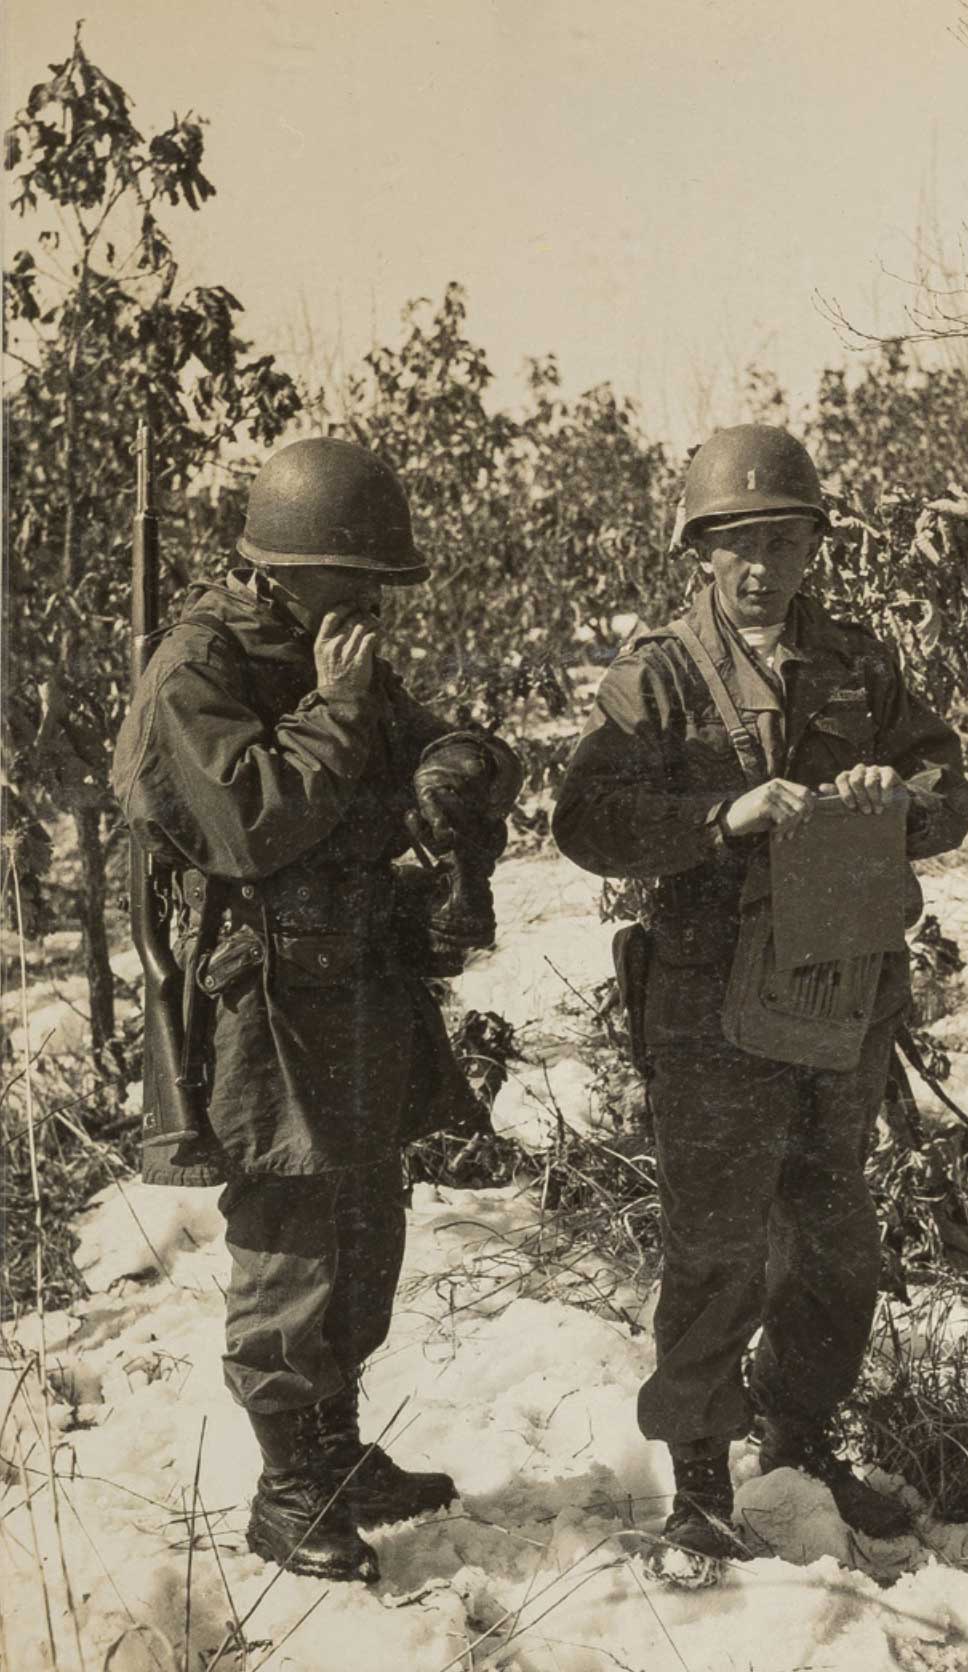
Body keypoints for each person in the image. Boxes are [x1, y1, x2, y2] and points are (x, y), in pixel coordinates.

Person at [552, 424, 968, 1560]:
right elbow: (585, 821)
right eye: (737, 544)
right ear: (699, 551)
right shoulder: (658, 675)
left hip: (837, 994)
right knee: (717, 1244)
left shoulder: (857, 662)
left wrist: (902, 796)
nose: (760, 567)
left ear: (812, 547)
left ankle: (799, 1439)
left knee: (837, 1237)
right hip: (706, 1004)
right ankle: (699, 1478)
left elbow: (954, 782)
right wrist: (716, 817)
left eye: (782, 541)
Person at [113, 437, 522, 1583]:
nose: (376, 606)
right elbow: (250, 820)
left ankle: (335, 1456)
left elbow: (441, 739)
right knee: (291, 1246)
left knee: (364, 1233)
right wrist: (341, 710)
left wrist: (447, 774)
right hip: (263, 1004)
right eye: (359, 581)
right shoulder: (197, 666)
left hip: (358, 985)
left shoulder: (326, 650)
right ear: (288, 567)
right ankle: (289, 1491)